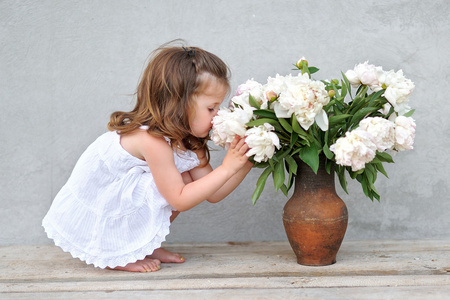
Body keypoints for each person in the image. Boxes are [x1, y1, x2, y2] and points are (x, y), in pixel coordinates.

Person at [42, 42, 253, 272]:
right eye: (211, 108)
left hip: (128, 192)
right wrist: (226, 168)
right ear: (178, 103)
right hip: (105, 195)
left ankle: (146, 246)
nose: (218, 115)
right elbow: (179, 199)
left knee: (191, 182)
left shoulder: (190, 140)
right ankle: (120, 255)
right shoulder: (151, 140)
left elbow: (214, 192)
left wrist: (245, 160)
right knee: (180, 185)